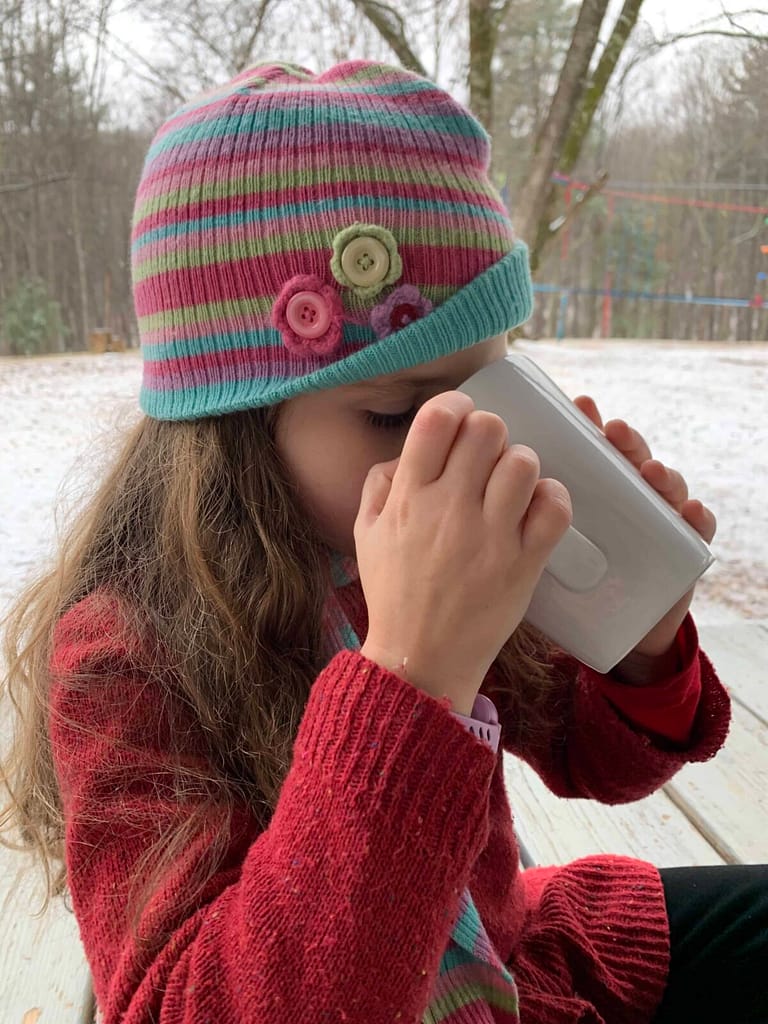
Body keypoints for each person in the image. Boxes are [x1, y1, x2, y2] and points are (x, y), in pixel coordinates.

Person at [1, 60, 765, 1024]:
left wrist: (642, 637)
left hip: (523, 961)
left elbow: (601, 762)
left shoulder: (414, 546)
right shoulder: (125, 659)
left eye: (487, 391)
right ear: (231, 429)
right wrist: (415, 675)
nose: (467, 444)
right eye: (401, 412)